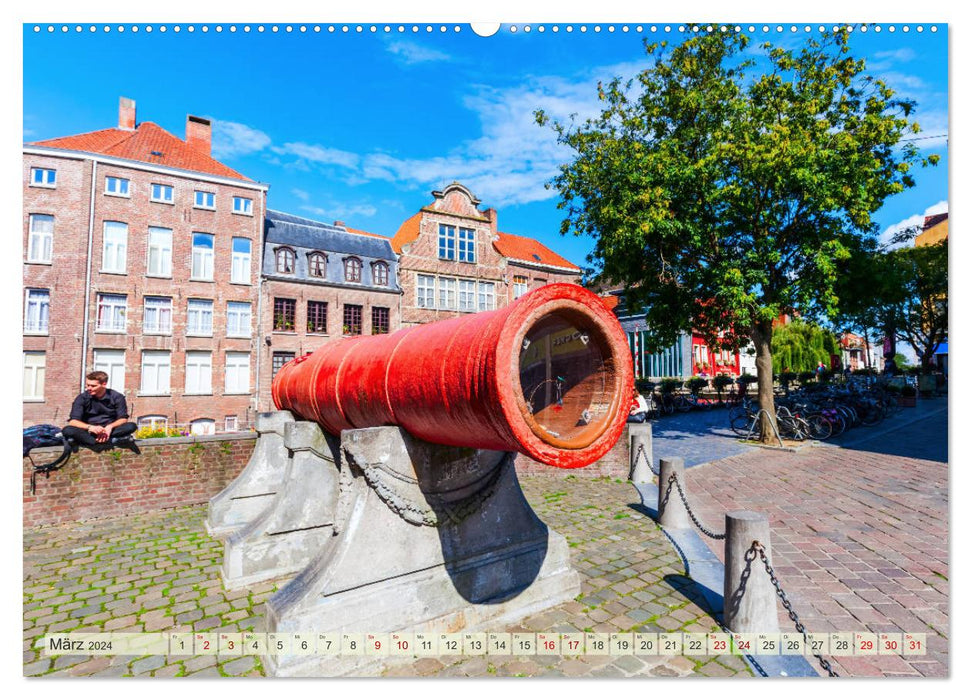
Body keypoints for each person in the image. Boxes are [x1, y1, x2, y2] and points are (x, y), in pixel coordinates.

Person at [62, 371, 139, 451]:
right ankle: (109, 441)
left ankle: (91, 442)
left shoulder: (117, 397)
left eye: (93, 386)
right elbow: (73, 421)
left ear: (104, 384)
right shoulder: (82, 398)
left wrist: (109, 427)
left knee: (131, 426)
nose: (89, 388)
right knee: (67, 430)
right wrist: (90, 427)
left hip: (110, 430)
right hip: (89, 431)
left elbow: (123, 418)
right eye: (88, 385)